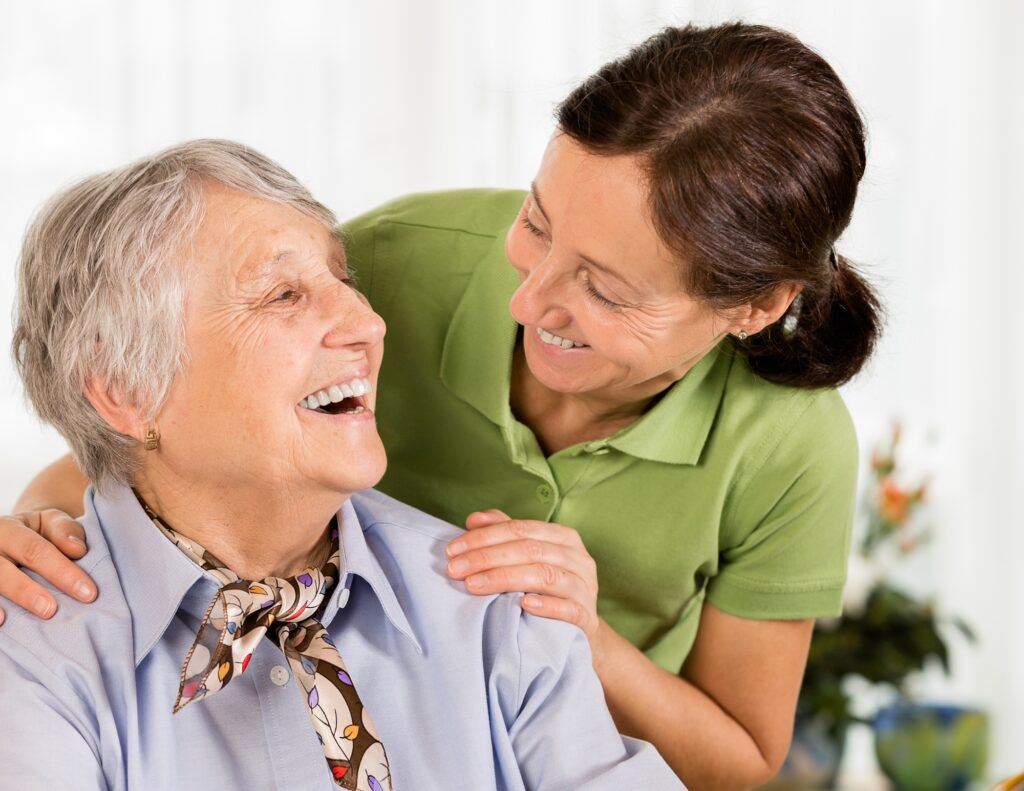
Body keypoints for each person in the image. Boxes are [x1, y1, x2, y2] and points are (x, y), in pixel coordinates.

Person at [0, 22, 882, 789]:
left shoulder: (505, 618)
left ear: (755, 306)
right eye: (537, 224)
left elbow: (739, 751)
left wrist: (577, 629)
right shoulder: (401, 263)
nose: (527, 299)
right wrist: (35, 547)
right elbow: (148, 422)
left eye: (606, 291)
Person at [0, 140, 681, 791]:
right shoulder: (29, 647)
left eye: (343, 278)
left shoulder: (496, 606)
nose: (367, 320)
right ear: (125, 389)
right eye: (284, 295)